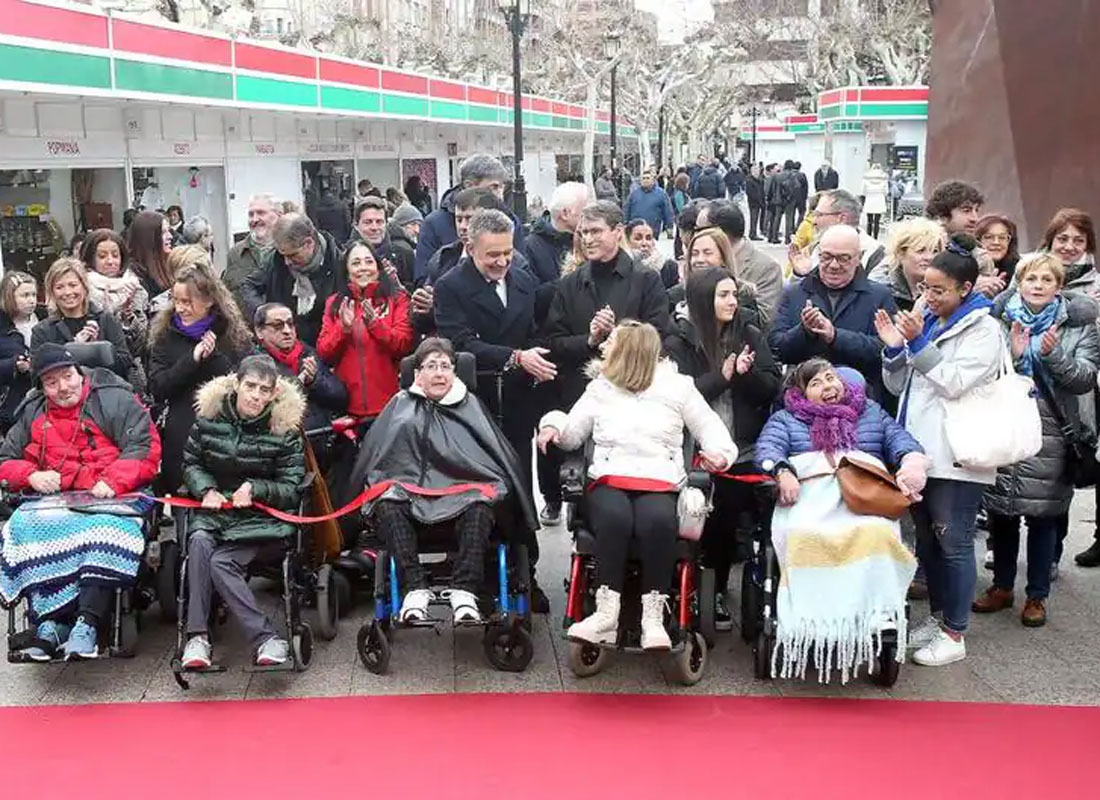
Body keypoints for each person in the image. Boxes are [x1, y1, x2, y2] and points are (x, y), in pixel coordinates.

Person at [538, 321, 737, 650]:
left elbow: (710, 428)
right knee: (614, 519)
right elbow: (572, 430)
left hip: (660, 479)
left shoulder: (679, 387)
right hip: (609, 477)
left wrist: (719, 453)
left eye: (612, 343)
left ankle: (653, 619)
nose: (604, 348)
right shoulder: (601, 387)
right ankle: (605, 615)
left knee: (657, 521)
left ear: (631, 353)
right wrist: (552, 426)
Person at [754, 358, 926, 681]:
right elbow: (768, 448)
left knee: (877, 533)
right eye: (815, 383)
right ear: (802, 394)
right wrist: (781, 469)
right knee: (803, 533)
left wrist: (910, 464)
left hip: (863, 502)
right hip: (809, 501)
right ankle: (809, 617)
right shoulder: (785, 419)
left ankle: (873, 617)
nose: (827, 386)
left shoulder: (871, 412)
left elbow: (902, 442)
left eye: (830, 378)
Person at [877, 233, 1005, 666]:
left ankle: (955, 632)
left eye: (937, 290)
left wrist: (915, 343)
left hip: (957, 455)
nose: (927, 297)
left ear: (964, 289)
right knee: (928, 544)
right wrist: (895, 348)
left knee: (954, 543)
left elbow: (952, 381)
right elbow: (899, 384)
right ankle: (937, 617)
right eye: (924, 288)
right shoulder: (928, 321)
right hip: (919, 452)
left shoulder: (984, 328)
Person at [347, 337, 538, 622]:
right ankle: (414, 588)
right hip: (409, 501)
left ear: (454, 372)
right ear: (417, 373)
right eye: (431, 366)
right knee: (386, 503)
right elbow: (380, 461)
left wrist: (487, 487)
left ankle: (464, 589)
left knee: (482, 504)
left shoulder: (470, 404)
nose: (439, 373)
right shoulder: (399, 406)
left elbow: (496, 464)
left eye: (446, 366)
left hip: (463, 501)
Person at [0, 343, 161, 660]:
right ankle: (48, 623)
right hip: (56, 500)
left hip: (114, 494)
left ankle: (86, 622)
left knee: (103, 530)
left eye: (67, 376)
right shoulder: (33, 410)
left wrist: (113, 480)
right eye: (51, 382)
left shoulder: (115, 397)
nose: (62, 388)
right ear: (41, 387)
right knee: (21, 526)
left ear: (79, 372)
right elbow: (6, 459)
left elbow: (144, 447)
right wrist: (30, 475)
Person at [433, 210, 552, 610]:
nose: (502, 261)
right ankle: (480, 573)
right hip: (475, 403)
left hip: (518, 402)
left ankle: (525, 572)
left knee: (519, 486)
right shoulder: (451, 286)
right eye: (492, 256)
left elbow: (534, 330)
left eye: (507, 252)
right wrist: (515, 356)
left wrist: (532, 358)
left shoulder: (523, 279)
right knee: (480, 491)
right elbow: (459, 342)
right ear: (470, 248)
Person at [972, 254, 1099, 627]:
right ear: (1019, 282)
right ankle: (1002, 586)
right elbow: (983, 373)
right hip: (1007, 420)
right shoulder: (998, 320)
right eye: (1031, 278)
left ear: (1059, 287)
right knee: (1002, 511)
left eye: (1047, 279)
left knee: (1045, 517)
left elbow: (1084, 379)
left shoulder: (1080, 327)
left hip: (1055, 429)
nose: (1038, 285)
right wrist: (1012, 355)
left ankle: (1037, 595)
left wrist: (1053, 355)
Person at [665, 267, 782, 631]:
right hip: (688, 447)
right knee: (686, 513)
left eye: (734, 294)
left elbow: (771, 388)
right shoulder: (677, 340)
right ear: (703, 299)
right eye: (723, 295)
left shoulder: (748, 333)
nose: (732, 302)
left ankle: (713, 586)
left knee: (727, 514)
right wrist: (722, 378)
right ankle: (679, 581)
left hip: (739, 445)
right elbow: (675, 396)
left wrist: (746, 376)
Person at [178, 355, 307, 669]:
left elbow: (292, 487)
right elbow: (191, 463)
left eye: (265, 390)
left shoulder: (284, 430)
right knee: (197, 541)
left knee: (221, 562)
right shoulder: (208, 419)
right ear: (236, 384)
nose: (256, 396)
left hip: (261, 519)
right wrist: (205, 488)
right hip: (215, 511)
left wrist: (255, 488)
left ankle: (266, 638)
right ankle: (197, 637)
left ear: (274, 393)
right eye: (250, 386)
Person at [545, 201, 671, 413]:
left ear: (618, 232)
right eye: (583, 232)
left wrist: (617, 336)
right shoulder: (569, 283)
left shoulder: (646, 280)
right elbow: (554, 342)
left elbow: (660, 337)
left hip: (633, 397)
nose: (587, 239)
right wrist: (590, 339)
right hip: (580, 397)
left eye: (596, 231)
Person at [148, 247, 251, 496]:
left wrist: (212, 357)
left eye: (187, 302)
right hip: (182, 427)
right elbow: (159, 387)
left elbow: (240, 378)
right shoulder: (165, 334)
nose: (180, 308)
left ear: (208, 301)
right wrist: (192, 360)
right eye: (177, 301)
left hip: (226, 427)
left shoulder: (230, 333)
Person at [769, 225, 897, 400]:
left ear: (859, 258)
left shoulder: (879, 296)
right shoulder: (794, 293)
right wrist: (804, 331)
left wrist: (836, 336)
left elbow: (885, 351)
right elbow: (776, 349)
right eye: (827, 257)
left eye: (843, 258)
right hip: (802, 402)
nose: (834, 265)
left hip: (859, 400)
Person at [317, 240, 413, 420]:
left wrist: (376, 325)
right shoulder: (335, 304)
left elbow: (404, 344)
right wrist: (343, 328)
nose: (363, 267)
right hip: (348, 408)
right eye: (356, 263)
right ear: (347, 271)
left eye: (369, 261)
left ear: (378, 267)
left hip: (390, 406)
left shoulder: (397, 299)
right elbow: (324, 352)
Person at [414, 154, 524, 285]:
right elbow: (423, 278)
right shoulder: (434, 224)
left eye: (502, 187)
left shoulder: (510, 221)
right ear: (469, 185)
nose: (500, 194)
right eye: (494, 187)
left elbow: (520, 272)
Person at [241, 213, 345, 347]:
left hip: (326, 349)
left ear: (309, 243)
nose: (287, 262)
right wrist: (264, 313)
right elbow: (248, 286)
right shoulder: (275, 259)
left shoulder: (339, 263)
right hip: (284, 350)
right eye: (283, 254)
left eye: (292, 255)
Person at [253, 302, 347, 447]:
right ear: (260, 332)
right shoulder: (254, 364)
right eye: (278, 326)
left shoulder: (308, 353)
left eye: (290, 324)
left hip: (323, 440)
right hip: (283, 447)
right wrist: (300, 383)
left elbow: (340, 397)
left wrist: (314, 381)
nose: (287, 330)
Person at [31, 258, 133, 381]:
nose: (67, 292)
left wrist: (97, 350)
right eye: (59, 287)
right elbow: (36, 377)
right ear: (52, 292)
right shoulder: (42, 331)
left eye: (73, 285)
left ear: (84, 287)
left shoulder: (106, 319)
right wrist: (74, 349)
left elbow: (125, 364)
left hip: (105, 392)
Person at [79, 229, 149, 393]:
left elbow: (143, 344)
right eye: (102, 256)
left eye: (115, 255)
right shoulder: (81, 290)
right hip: (92, 376)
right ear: (91, 259)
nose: (110, 261)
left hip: (129, 375)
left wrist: (128, 318)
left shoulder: (135, 289)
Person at [696, 201, 784, 324]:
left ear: (719, 232)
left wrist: (722, 279)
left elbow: (764, 320)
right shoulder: (698, 261)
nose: (695, 235)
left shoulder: (767, 268)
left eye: (699, 230)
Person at [791, 189, 887, 277]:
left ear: (842, 218)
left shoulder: (875, 254)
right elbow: (794, 291)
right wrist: (799, 275)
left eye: (819, 215)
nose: (814, 222)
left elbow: (875, 294)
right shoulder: (814, 248)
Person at [522, 182, 591, 286]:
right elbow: (532, 295)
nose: (591, 216)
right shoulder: (530, 247)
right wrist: (571, 280)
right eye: (586, 211)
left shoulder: (589, 239)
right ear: (565, 214)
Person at [870, 217, 946, 311]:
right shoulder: (879, 289)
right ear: (901, 253)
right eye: (920, 250)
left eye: (935, 251)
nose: (929, 257)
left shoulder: (947, 289)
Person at [225, 194, 282, 310]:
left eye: (261, 213)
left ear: (278, 215)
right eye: (251, 214)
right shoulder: (235, 254)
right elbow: (227, 295)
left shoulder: (288, 251)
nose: (254, 219)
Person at [0, 271, 39, 432]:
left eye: (34, 294)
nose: (31, 300)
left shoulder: (46, 319)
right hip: (13, 407)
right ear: (9, 297)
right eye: (25, 295)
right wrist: (14, 365)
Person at [349, 196, 415, 288]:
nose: (374, 228)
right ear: (356, 225)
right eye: (368, 222)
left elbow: (414, 295)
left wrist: (396, 285)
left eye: (379, 222)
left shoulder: (404, 254)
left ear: (386, 224)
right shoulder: (344, 258)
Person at [126, 209, 174, 309]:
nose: (170, 236)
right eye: (163, 232)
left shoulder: (167, 264)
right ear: (149, 238)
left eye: (169, 231)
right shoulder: (133, 277)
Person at [626, 219, 679, 289]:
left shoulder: (669, 268)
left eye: (648, 238)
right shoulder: (621, 268)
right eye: (638, 238)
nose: (644, 243)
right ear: (627, 242)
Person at [623, 170, 675, 238]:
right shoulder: (634, 194)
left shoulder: (661, 194)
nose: (645, 180)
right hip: (636, 229)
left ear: (653, 180)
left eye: (647, 178)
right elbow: (627, 209)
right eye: (643, 178)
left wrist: (669, 226)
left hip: (653, 229)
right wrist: (625, 223)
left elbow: (667, 211)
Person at [976, 213, 1021, 283]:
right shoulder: (966, 269)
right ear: (977, 241)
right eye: (989, 237)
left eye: (1002, 237)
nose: (996, 242)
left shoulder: (1020, 270)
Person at [861, 163, 889, 240]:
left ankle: (869, 236)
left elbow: (863, 191)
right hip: (879, 199)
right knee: (877, 220)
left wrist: (865, 194)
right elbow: (886, 191)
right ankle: (875, 237)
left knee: (869, 220)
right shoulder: (884, 177)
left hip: (870, 198)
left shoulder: (866, 176)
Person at [764, 163, 785, 244]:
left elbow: (768, 190)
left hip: (772, 201)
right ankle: (774, 237)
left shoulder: (771, 178)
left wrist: (768, 199)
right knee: (776, 219)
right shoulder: (778, 178)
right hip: (777, 201)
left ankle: (770, 236)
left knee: (772, 219)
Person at [745, 163, 765, 241]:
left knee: (756, 218)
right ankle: (752, 234)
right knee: (753, 218)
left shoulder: (759, 180)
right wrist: (757, 199)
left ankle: (754, 233)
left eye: (758, 171)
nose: (758, 173)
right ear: (752, 171)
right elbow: (750, 193)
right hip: (753, 203)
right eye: (756, 171)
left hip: (759, 202)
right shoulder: (749, 180)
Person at [792, 161, 809, 226]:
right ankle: (799, 225)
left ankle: (791, 228)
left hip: (792, 198)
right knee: (802, 212)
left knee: (791, 214)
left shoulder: (790, 175)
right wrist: (805, 197)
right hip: (801, 197)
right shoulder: (802, 175)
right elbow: (805, 187)